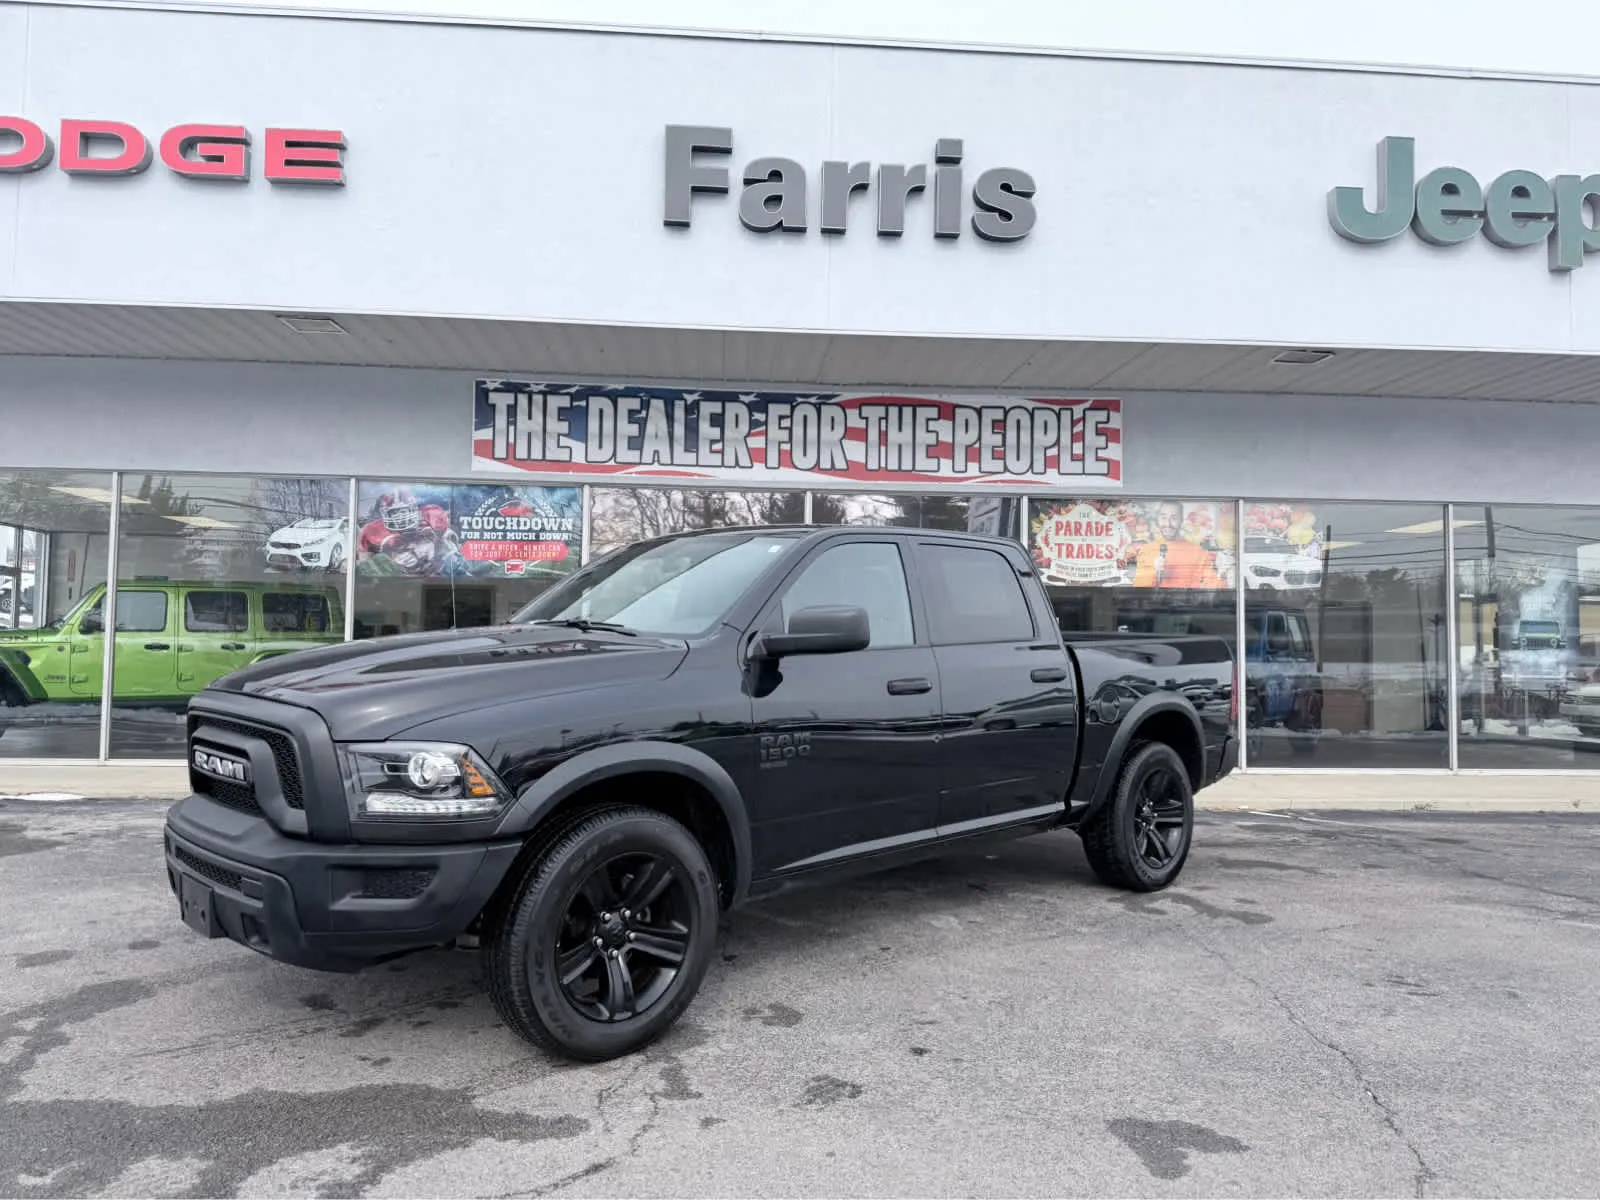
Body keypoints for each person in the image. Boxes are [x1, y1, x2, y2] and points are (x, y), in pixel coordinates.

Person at [1131, 501, 1226, 589]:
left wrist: (1225, 576)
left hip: (1187, 606)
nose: (1168, 524)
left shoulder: (1198, 552)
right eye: (1164, 517)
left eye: (1174, 518)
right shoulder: (1147, 550)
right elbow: (1138, 589)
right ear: (1158, 520)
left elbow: (1214, 586)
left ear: (1181, 521)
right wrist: (1153, 571)